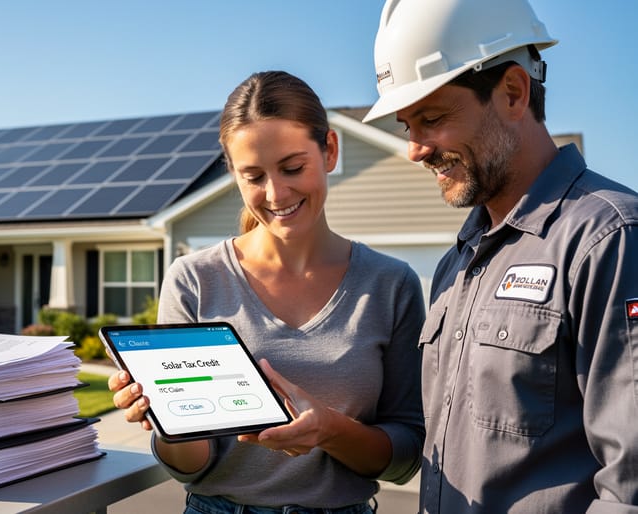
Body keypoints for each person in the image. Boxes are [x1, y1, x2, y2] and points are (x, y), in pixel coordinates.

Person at [108, 70, 426, 513]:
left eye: (293, 168)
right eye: (253, 176)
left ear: (330, 150)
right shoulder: (194, 279)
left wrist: (328, 430)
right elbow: (191, 466)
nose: (276, 194)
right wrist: (165, 418)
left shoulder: (391, 285)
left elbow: (404, 458)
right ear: (232, 173)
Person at [363, 0, 638, 512]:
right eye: (407, 126)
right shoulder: (456, 265)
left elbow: (631, 486)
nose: (415, 149)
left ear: (513, 91)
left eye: (431, 118)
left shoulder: (609, 239)